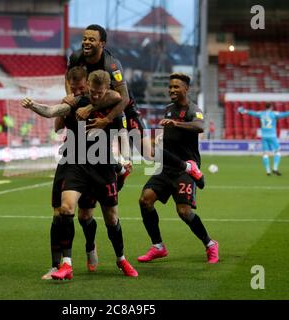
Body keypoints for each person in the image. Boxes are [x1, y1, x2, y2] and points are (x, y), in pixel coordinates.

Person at [21, 70, 138, 279]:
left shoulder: (114, 107)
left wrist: (126, 159)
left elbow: (122, 134)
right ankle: (66, 265)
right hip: (76, 164)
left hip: (102, 166)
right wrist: (33, 106)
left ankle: (121, 258)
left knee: (111, 219)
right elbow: (51, 111)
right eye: (92, 92)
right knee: (66, 208)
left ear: (106, 90)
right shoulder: (77, 103)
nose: (94, 96)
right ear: (89, 88)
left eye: (99, 93)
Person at [67, 24, 204, 189]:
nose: (86, 42)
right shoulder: (76, 57)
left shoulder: (112, 65)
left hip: (124, 109)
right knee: (94, 150)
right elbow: (69, 78)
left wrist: (105, 118)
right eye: (84, 39)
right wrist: (70, 96)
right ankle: (120, 170)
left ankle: (189, 167)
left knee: (148, 153)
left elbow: (122, 98)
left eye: (91, 39)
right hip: (100, 108)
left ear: (102, 43)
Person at [137, 73, 219, 264]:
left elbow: (199, 126)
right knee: (145, 200)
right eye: (170, 87)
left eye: (176, 87)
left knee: (184, 212)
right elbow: (168, 135)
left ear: (186, 89)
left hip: (186, 168)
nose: (172, 90)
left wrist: (176, 123)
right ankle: (158, 246)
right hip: (166, 167)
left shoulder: (193, 109)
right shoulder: (168, 109)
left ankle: (210, 244)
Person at [238, 103, 289, 175]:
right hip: (272, 136)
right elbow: (285, 114)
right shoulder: (274, 114)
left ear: (265, 107)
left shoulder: (261, 113)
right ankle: (275, 169)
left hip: (264, 136)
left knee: (265, 153)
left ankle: (268, 171)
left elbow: (252, 113)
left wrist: (243, 110)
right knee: (277, 151)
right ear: (271, 107)